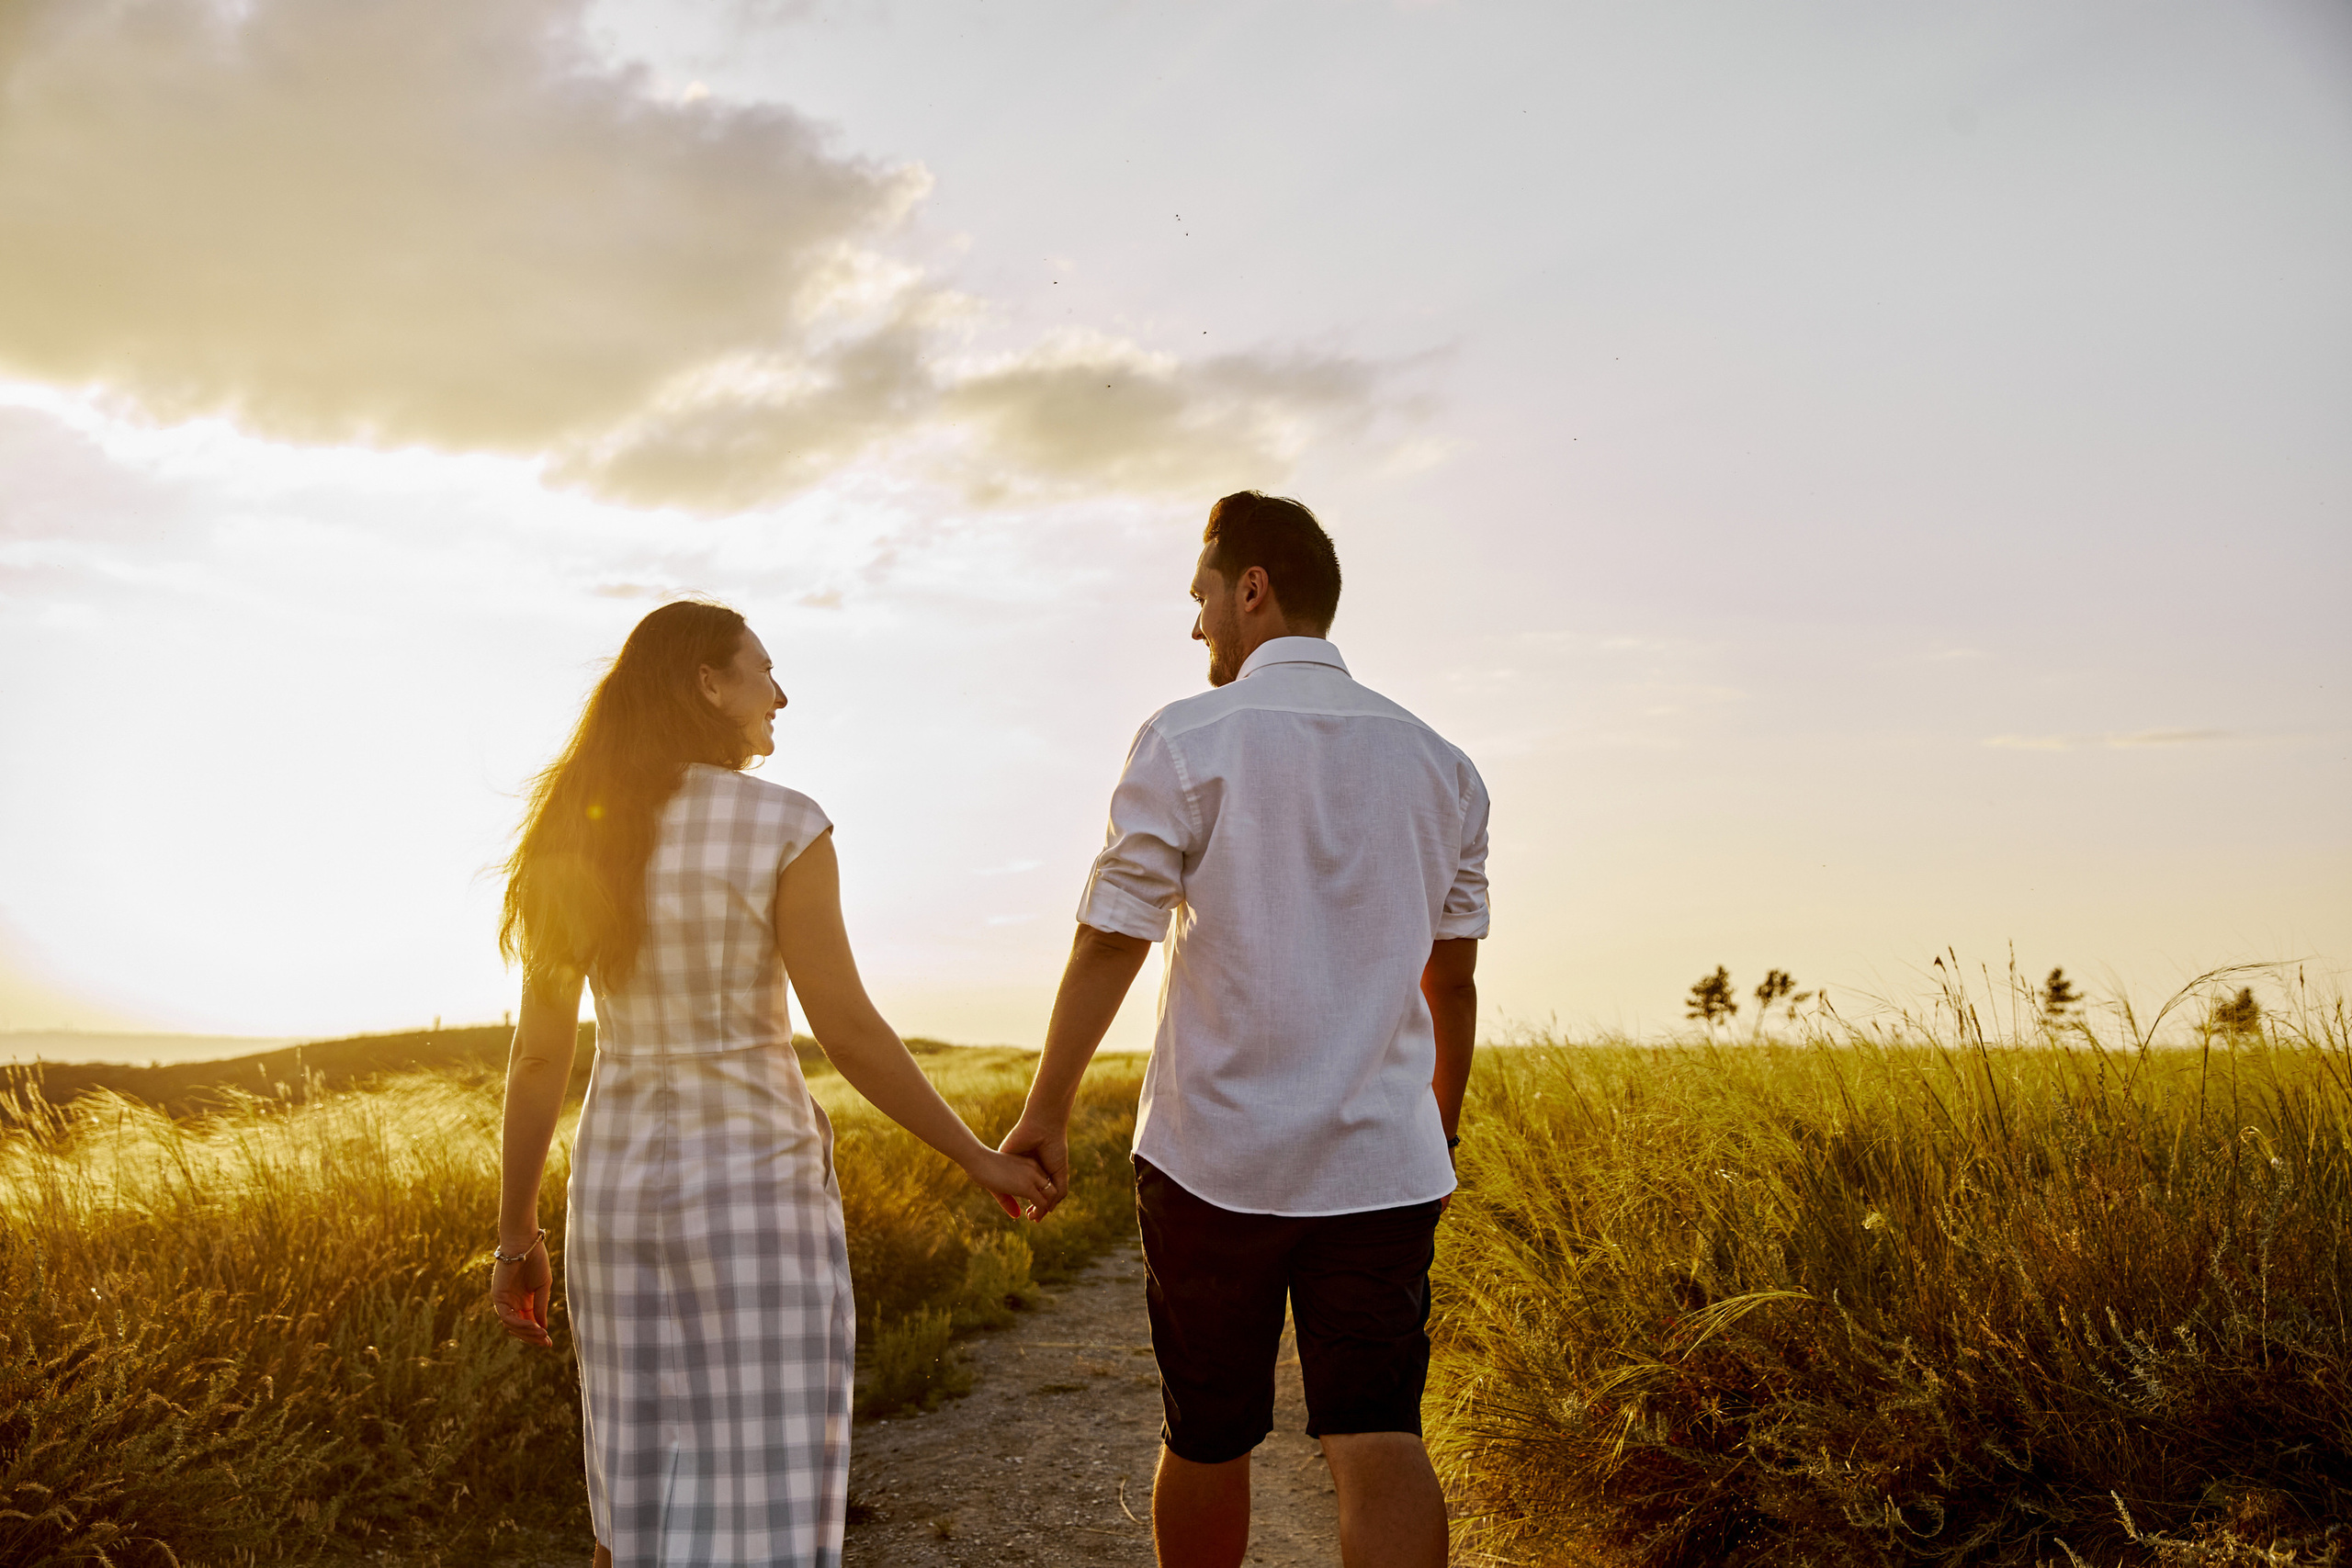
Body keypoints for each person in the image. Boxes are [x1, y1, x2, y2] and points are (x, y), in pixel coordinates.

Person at [489, 600, 1054, 1568]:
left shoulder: (574, 836)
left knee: (631, 1485)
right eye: (762, 671)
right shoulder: (784, 825)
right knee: (768, 1490)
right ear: (707, 684)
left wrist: (514, 1237)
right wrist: (972, 1155)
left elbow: (539, 1058)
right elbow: (847, 1030)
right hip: (756, 1198)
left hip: (617, 1201)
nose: (779, 694)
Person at [999, 492, 1490, 1568]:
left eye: (1202, 597)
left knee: (1209, 1435)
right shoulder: (1443, 763)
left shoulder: (1185, 738)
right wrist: (1435, 1129)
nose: (1196, 626)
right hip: (1380, 1166)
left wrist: (1043, 1113)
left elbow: (1110, 939)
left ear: (1251, 588)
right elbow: (1449, 979)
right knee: (1380, 1434)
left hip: (1211, 1159)